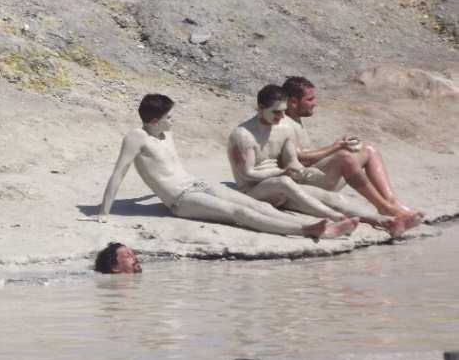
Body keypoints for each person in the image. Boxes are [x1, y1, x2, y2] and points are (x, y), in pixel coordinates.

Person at [97, 93, 358, 239]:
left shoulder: (165, 133)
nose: (172, 120)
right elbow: (118, 173)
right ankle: (308, 230)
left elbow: (166, 167)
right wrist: (103, 213)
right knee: (238, 213)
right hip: (181, 199)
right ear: (155, 120)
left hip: (197, 183)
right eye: (169, 117)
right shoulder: (136, 138)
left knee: (258, 205)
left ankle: (328, 221)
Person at [228, 85, 415, 237]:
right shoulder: (243, 135)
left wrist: (305, 172)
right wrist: (281, 173)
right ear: (260, 108)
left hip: (282, 186)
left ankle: (385, 221)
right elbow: (247, 173)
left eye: (283, 112)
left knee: (331, 197)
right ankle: (335, 217)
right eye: (276, 112)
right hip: (254, 190)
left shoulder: (283, 127)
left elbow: (292, 161)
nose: (281, 117)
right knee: (284, 182)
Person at [281, 76, 424, 223]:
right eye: (310, 100)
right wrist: (335, 148)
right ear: (293, 102)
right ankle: (384, 207)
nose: (314, 103)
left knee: (368, 150)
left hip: (314, 175)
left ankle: (392, 202)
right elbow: (300, 158)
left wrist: (338, 146)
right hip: (302, 185)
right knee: (344, 157)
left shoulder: (295, 118)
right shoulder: (284, 124)